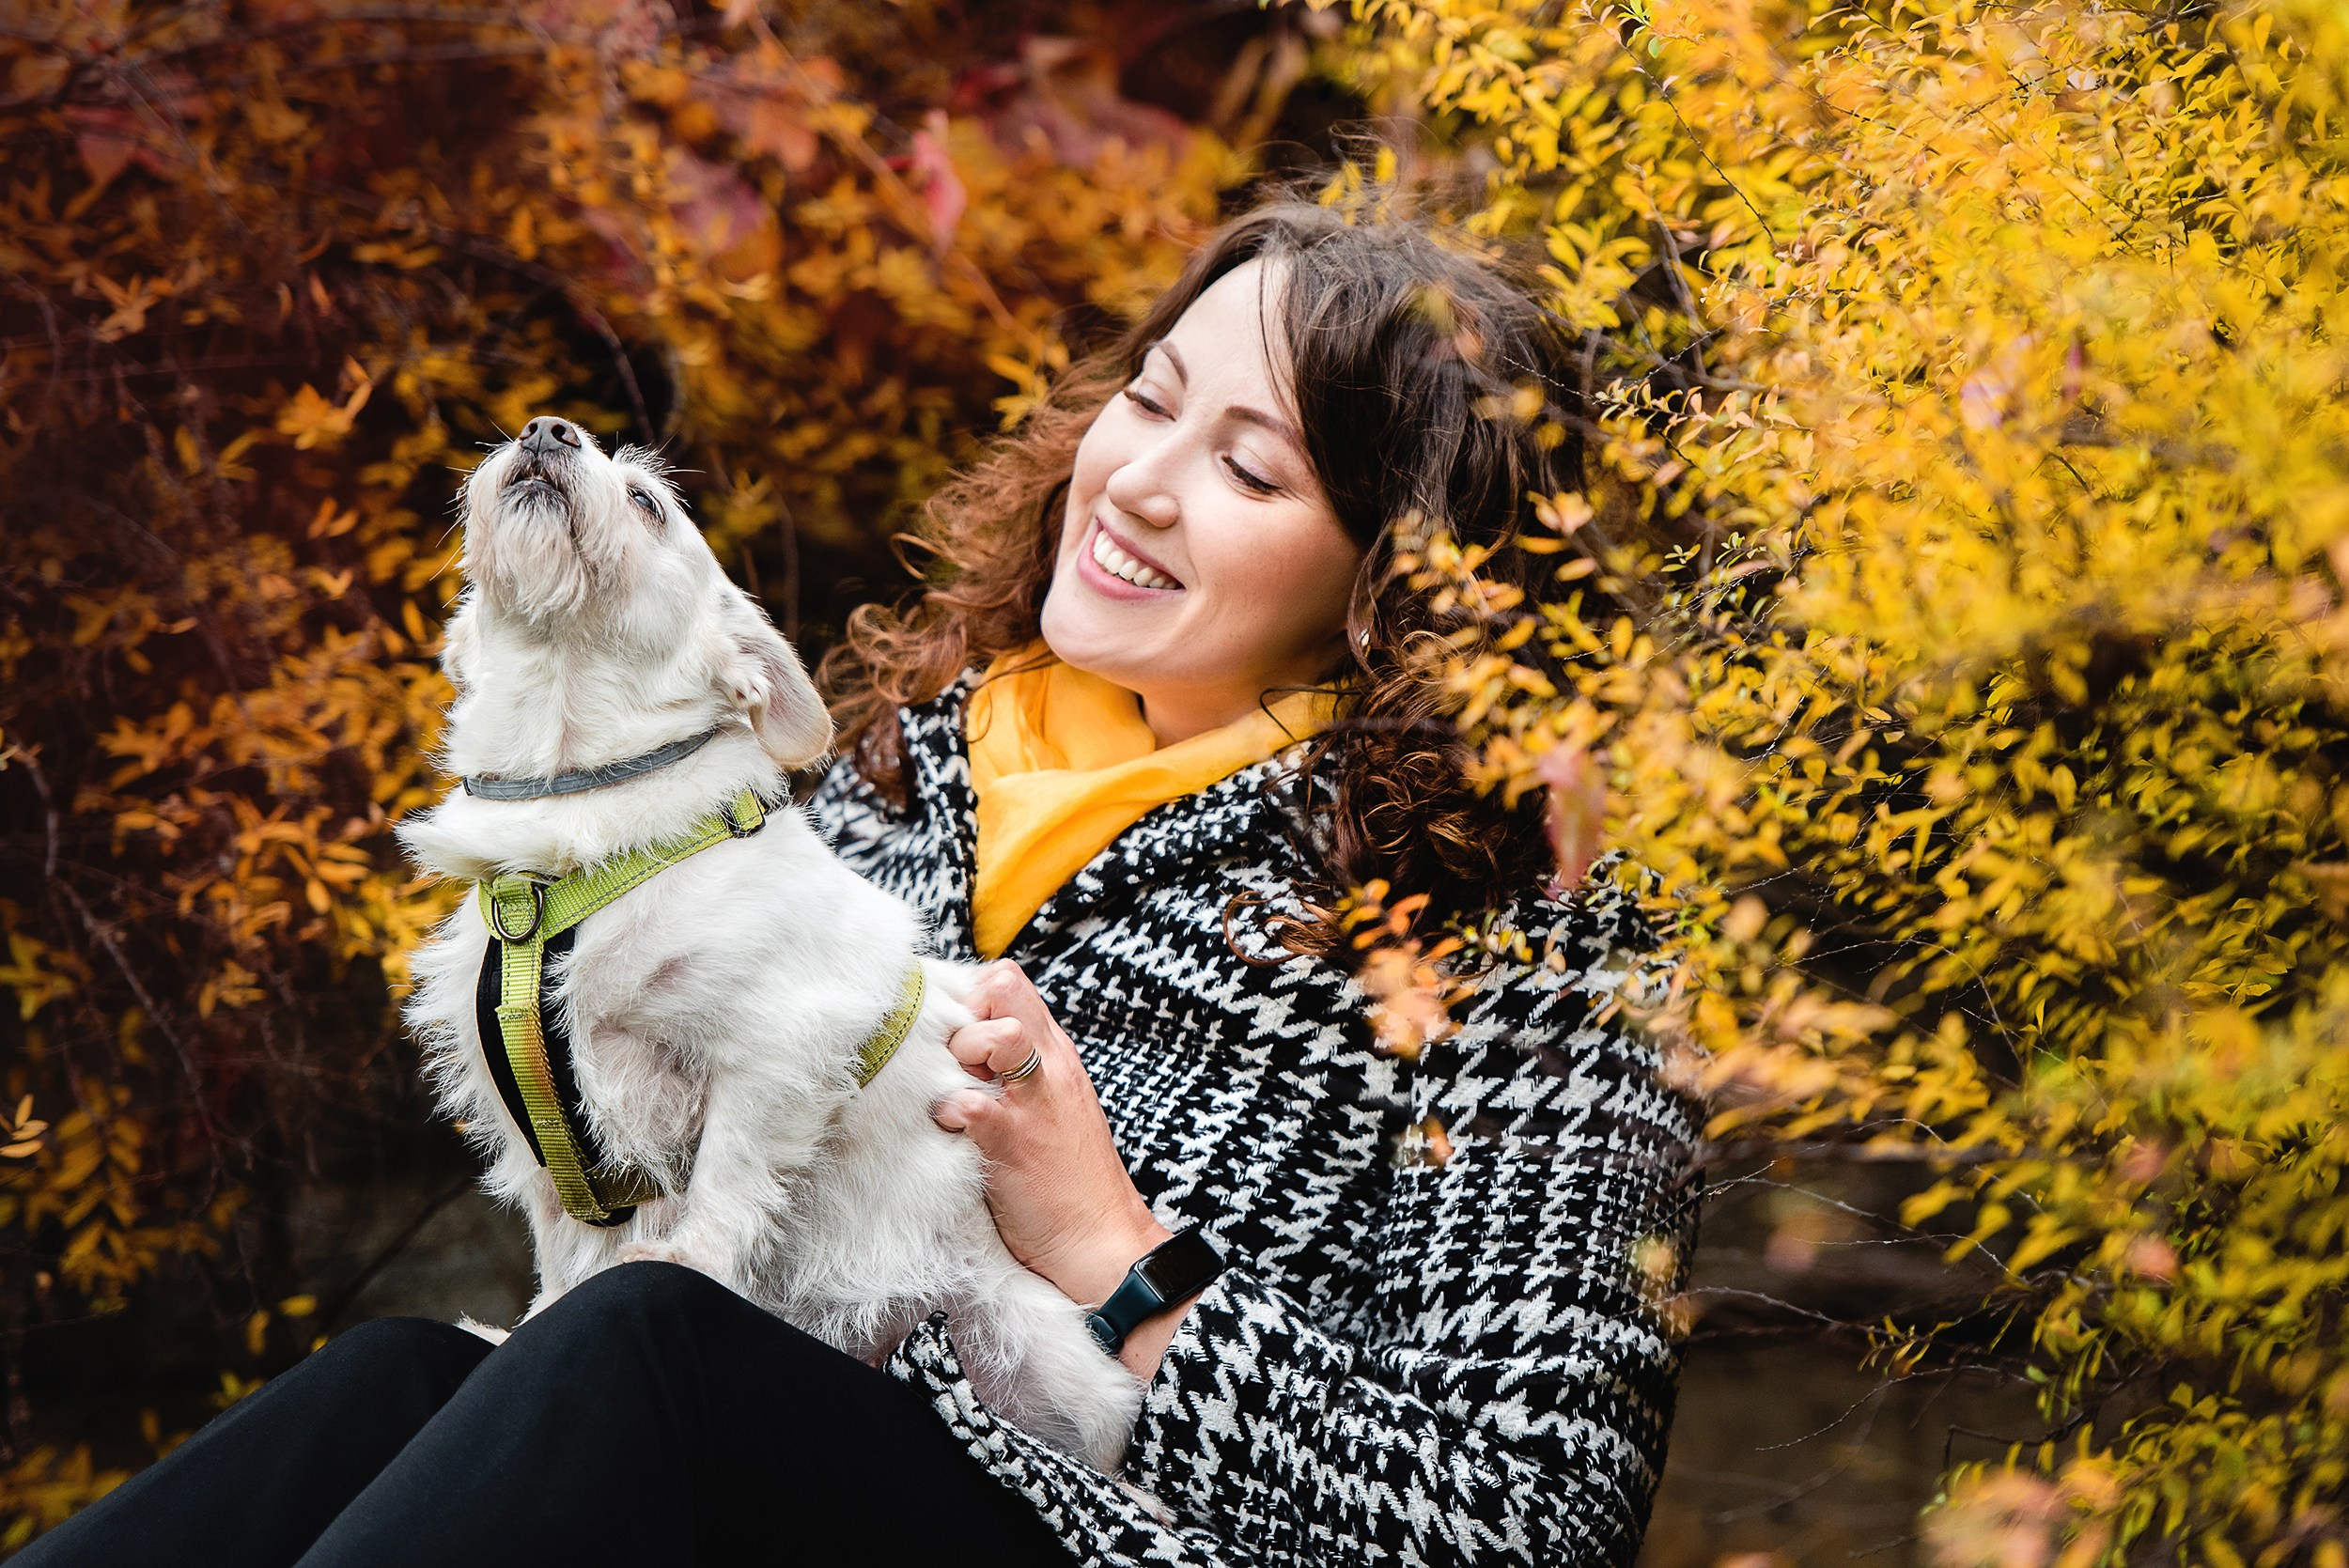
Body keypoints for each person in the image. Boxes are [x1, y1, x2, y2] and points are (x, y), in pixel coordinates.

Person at [15, 198, 1701, 1568]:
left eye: (1252, 470)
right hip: (773, 1451)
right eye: (1150, 398)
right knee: (405, 1373)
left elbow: (1531, 1530)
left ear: (1395, 583)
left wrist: (1117, 1250)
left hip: (1092, 1535)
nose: (1137, 479)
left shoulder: (1531, 935)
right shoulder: (896, 774)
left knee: (646, 1349)